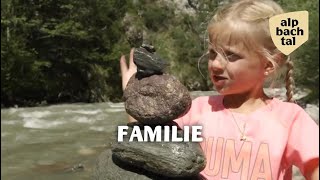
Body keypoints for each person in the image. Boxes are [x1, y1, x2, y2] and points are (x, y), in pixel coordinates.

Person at [119, 0, 319, 179]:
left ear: (268, 65)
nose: (215, 64)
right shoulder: (195, 109)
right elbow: (146, 139)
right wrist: (137, 93)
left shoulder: (290, 119)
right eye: (213, 53)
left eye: (230, 56)